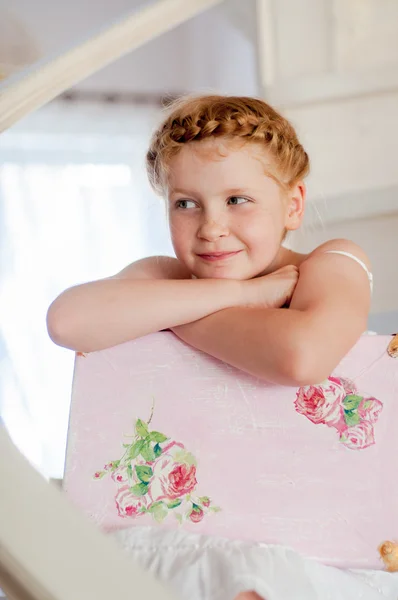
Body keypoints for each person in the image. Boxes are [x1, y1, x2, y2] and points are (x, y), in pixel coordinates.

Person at [46, 95, 373, 598]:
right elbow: (68, 321)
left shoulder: (331, 263)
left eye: (237, 200)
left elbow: (301, 357)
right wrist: (242, 294)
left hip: (310, 535)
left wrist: (177, 316)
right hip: (187, 532)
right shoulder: (164, 273)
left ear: (293, 204)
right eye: (186, 203)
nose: (211, 227)